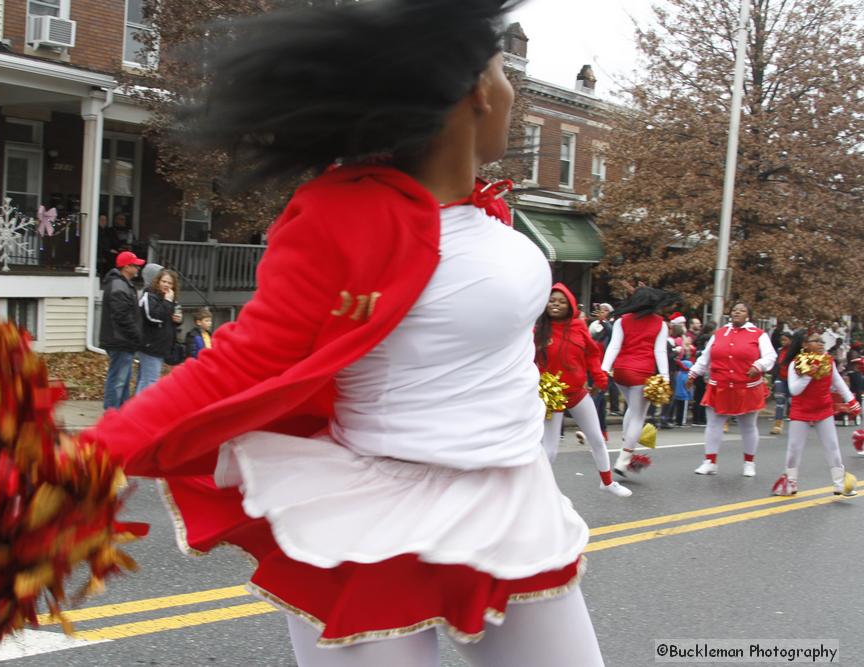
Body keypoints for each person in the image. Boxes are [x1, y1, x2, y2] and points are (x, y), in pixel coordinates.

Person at [81, 2, 604, 665]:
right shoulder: (344, 211)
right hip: (375, 507)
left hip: (510, 493)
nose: (510, 93)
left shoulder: (486, 208)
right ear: (476, 88)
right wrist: (89, 458)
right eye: (505, 74)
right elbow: (243, 359)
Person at [535, 284, 631, 497]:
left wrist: (599, 376)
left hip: (577, 392)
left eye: (561, 301)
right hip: (553, 394)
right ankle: (542, 493)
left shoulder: (578, 327)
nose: (556, 304)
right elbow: (526, 359)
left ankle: (607, 482)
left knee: (596, 438)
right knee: (549, 449)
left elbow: (592, 353)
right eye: (552, 301)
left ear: (569, 304)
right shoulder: (539, 330)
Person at [686, 303, 776, 477]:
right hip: (719, 385)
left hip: (746, 387)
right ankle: (710, 461)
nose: (737, 312)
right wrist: (693, 373)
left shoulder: (758, 335)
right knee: (713, 424)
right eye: (734, 310)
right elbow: (705, 357)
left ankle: (749, 462)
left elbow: (770, 356)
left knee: (748, 426)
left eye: (742, 310)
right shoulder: (719, 334)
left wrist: (758, 365)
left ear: (748, 316)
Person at [771, 330, 861, 496]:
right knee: (794, 448)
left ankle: (839, 483)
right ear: (805, 345)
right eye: (816, 341)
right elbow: (794, 390)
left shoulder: (828, 361)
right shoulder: (795, 364)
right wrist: (808, 374)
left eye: (822, 341)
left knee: (832, 446)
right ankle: (790, 482)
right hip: (801, 410)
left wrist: (852, 401)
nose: (821, 344)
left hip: (823, 408)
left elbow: (838, 383)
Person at [600, 287, 676, 476]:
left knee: (632, 410)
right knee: (638, 416)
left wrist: (602, 370)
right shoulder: (660, 324)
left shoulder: (621, 321)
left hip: (620, 372)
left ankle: (628, 442)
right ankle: (624, 460)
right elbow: (660, 352)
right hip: (642, 374)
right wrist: (665, 377)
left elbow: (614, 346)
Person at [99, 250, 145, 409]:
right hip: (120, 340)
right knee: (118, 380)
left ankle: (121, 414)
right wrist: (137, 335)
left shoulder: (122, 284)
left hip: (122, 340)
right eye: (135, 265)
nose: (138, 268)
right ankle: (112, 414)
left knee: (123, 381)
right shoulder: (119, 285)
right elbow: (122, 316)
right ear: (126, 267)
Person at [137, 267, 183, 394]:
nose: (167, 285)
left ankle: (134, 410)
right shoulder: (149, 296)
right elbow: (153, 317)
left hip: (162, 346)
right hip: (150, 345)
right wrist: (168, 303)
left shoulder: (171, 299)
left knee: (145, 380)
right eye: (164, 281)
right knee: (151, 382)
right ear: (157, 281)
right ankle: (143, 411)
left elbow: (169, 320)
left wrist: (178, 320)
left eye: (170, 283)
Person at [587, 302, 614, 438]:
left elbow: (611, 333)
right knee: (601, 401)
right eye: (600, 310)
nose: (601, 312)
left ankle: (588, 429)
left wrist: (603, 321)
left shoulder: (612, 326)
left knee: (596, 397)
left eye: (604, 310)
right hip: (593, 367)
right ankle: (602, 432)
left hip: (605, 368)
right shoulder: (595, 326)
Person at [770, 331, 792, 435]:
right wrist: (774, 379)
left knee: (792, 402)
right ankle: (777, 425)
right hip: (780, 378)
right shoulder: (779, 351)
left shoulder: (795, 352)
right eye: (782, 340)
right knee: (779, 401)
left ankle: (798, 423)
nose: (783, 342)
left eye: (785, 340)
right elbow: (776, 365)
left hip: (792, 380)